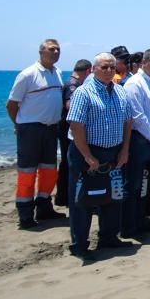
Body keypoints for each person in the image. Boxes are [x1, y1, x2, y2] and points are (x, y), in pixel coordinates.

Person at [65, 52, 133, 261]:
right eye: (104, 67)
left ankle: (109, 237)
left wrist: (124, 150)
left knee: (113, 197)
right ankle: (80, 244)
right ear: (94, 69)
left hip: (113, 151)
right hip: (86, 152)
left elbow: (127, 122)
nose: (109, 71)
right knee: (82, 200)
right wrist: (87, 155)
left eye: (112, 67)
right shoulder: (83, 93)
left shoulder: (120, 92)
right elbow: (76, 124)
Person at [6, 39, 66, 228]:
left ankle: (44, 207)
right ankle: (25, 215)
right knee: (27, 173)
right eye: (51, 49)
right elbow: (11, 104)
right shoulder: (28, 74)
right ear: (41, 52)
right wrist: (19, 124)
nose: (55, 52)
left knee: (49, 170)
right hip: (31, 129)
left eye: (58, 49)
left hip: (50, 129)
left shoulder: (57, 72)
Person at [120, 48, 150, 239]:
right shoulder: (134, 84)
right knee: (133, 184)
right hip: (140, 140)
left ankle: (141, 220)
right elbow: (137, 116)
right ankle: (128, 227)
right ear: (144, 62)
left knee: (146, 184)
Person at [56, 59, 91, 207]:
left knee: (66, 163)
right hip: (68, 129)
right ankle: (64, 197)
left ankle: (63, 197)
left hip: (66, 127)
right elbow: (70, 106)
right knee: (68, 164)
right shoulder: (73, 85)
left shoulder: (73, 83)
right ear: (88, 71)